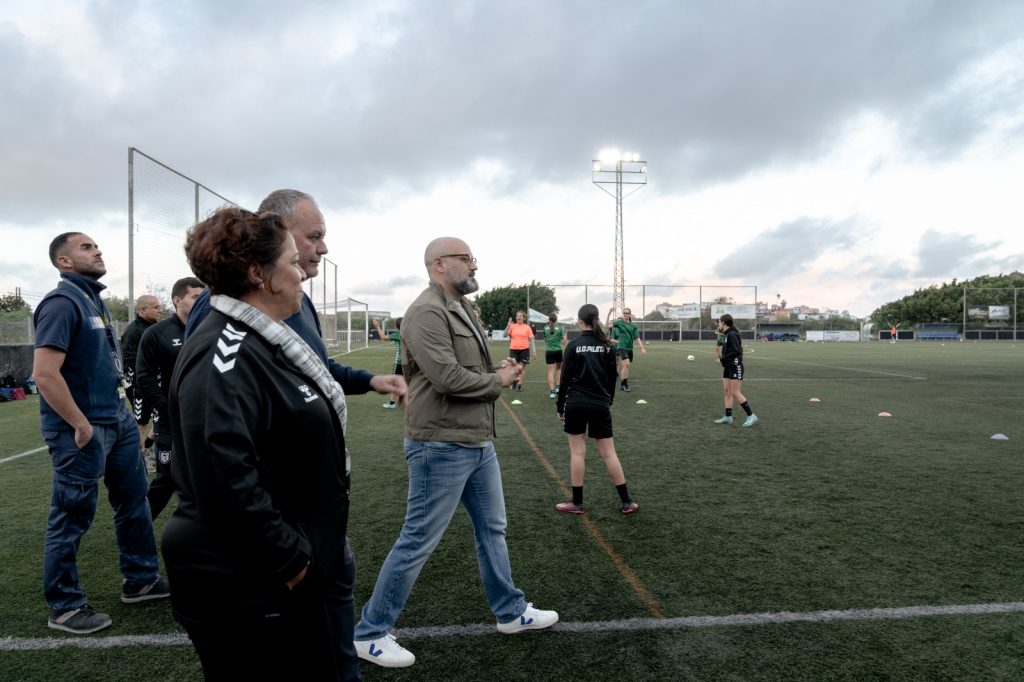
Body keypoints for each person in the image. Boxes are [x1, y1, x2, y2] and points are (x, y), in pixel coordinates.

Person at [184, 188, 401, 681]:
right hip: (273, 553)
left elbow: (312, 377)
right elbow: (220, 464)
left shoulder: (283, 317)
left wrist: (367, 382)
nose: (311, 260)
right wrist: (289, 557)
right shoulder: (224, 336)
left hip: (311, 529)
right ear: (259, 272)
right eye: (305, 245)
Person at [353, 237, 558, 669]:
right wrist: (498, 382)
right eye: (466, 259)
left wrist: (496, 370)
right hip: (439, 444)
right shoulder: (426, 312)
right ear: (439, 264)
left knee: (492, 530)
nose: (473, 264)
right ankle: (369, 633)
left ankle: (510, 612)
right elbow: (447, 378)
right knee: (418, 538)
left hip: (474, 440)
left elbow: (467, 369)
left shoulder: (462, 307)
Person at [164, 207, 349, 679]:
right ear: (258, 274)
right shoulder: (222, 352)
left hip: (281, 576)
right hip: (248, 584)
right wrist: (291, 560)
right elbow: (222, 475)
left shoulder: (264, 340)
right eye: (291, 260)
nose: (303, 271)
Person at [33, 232, 169, 635]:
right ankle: (65, 605)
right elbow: (44, 374)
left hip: (117, 421)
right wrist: (78, 423)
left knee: (134, 502)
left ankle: (140, 579)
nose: (98, 250)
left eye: (96, 245)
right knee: (72, 514)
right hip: (82, 428)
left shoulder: (96, 300)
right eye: (86, 247)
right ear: (64, 261)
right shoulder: (61, 303)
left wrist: (125, 418)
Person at [555, 304, 638, 515]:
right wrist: (607, 400)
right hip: (600, 403)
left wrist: (560, 406)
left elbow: (564, 381)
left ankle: (577, 502)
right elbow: (612, 379)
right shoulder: (608, 347)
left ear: (580, 321)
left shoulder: (573, 346)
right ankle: (626, 502)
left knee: (577, 452)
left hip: (575, 403)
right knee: (609, 453)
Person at [134, 276, 206, 519]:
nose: (203, 301)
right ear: (178, 300)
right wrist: (167, 408)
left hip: (208, 418)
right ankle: (137, 528)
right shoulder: (157, 333)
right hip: (171, 421)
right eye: (196, 296)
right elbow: (144, 378)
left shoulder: (210, 329)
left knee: (210, 475)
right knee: (167, 479)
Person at [120, 294, 161, 444]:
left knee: (163, 416)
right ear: (143, 309)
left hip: (156, 383)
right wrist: (140, 386)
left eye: (160, 307)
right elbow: (130, 362)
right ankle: (139, 460)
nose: (160, 311)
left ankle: (148, 448)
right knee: (141, 423)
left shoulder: (155, 327)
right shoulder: (133, 331)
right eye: (156, 307)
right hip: (140, 386)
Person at [714, 313, 758, 427]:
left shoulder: (732, 334)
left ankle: (751, 416)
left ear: (723, 323)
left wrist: (723, 358)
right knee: (726, 391)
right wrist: (723, 360)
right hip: (728, 366)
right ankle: (728, 417)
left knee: (735, 392)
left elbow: (736, 351)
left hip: (735, 366)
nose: (718, 323)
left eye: (719, 321)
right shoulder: (727, 334)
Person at [609, 307, 646, 392]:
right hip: (621, 347)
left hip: (630, 348)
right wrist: (609, 313)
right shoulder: (620, 322)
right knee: (627, 364)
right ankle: (624, 384)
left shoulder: (633, 326)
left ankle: (624, 384)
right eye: (624, 313)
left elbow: (637, 338)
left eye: (627, 313)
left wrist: (642, 348)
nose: (625, 314)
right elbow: (607, 325)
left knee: (626, 366)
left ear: (630, 314)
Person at [372, 317, 403, 408]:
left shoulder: (398, 334)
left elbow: (383, 337)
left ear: (397, 327)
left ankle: (392, 403)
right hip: (409, 363)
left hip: (399, 363)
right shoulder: (410, 334)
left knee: (395, 383)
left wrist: (377, 326)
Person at [504, 310, 536, 392]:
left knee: (521, 368)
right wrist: (508, 326)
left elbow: (531, 340)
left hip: (524, 350)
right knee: (514, 368)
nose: (518, 317)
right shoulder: (512, 326)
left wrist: (534, 351)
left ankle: (519, 385)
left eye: (520, 316)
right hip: (513, 350)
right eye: (517, 316)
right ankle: (515, 380)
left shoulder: (527, 327)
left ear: (523, 318)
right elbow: (504, 335)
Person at [543, 312, 567, 399]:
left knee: (550, 372)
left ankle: (552, 392)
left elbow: (545, 340)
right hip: (558, 351)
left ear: (549, 320)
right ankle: (558, 387)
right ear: (556, 319)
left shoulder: (545, 328)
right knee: (559, 369)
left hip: (549, 352)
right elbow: (565, 340)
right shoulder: (561, 328)